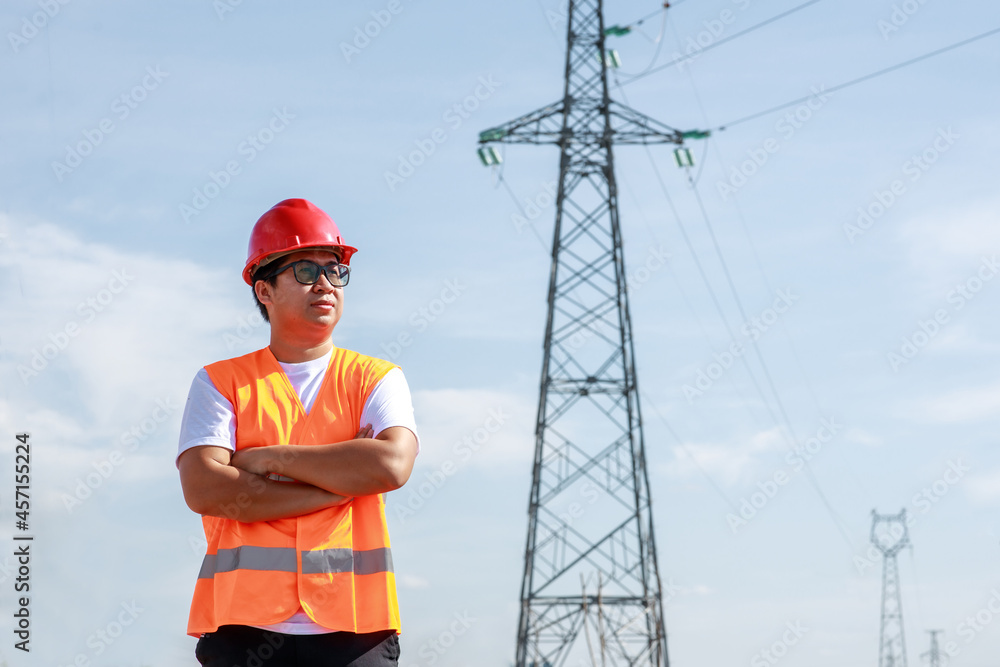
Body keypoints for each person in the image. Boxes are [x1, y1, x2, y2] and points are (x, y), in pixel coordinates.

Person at [176, 198, 419, 666]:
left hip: (354, 631)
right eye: (306, 271)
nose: (326, 283)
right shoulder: (219, 381)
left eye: (335, 270)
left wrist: (269, 460)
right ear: (264, 291)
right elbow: (204, 487)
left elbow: (390, 464)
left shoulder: (378, 378)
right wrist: (335, 488)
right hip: (244, 630)